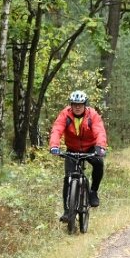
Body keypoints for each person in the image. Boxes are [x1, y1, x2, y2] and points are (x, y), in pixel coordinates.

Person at [49, 90, 108, 222]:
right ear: (71, 104)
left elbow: (100, 131)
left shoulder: (92, 115)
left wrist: (100, 147)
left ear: (85, 104)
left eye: (80, 104)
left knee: (99, 163)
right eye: (74, 104)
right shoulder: (65, 114)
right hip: (72, 149)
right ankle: (66, 211)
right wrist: (54, 146)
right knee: (67, 178)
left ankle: (93, 192)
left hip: (90, 147)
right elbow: (57, 129)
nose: (77, 106)